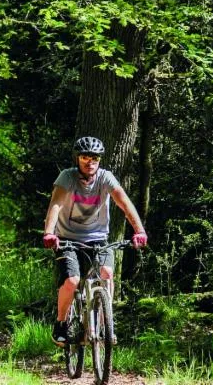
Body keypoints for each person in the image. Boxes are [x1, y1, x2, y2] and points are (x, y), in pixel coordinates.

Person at [42, 136, 147, 346]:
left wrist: (139, 231)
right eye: (85, 158)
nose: (90, 162)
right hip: (67, 238)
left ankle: (105, 325)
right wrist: (49, 233)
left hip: (98, 238)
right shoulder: (67, 177)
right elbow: (55, 204)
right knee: (72, 281)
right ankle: (61, 324)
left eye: (95, 158)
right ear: (78, 159)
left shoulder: (106, 178)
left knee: (107, 274)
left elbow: (124, 203)